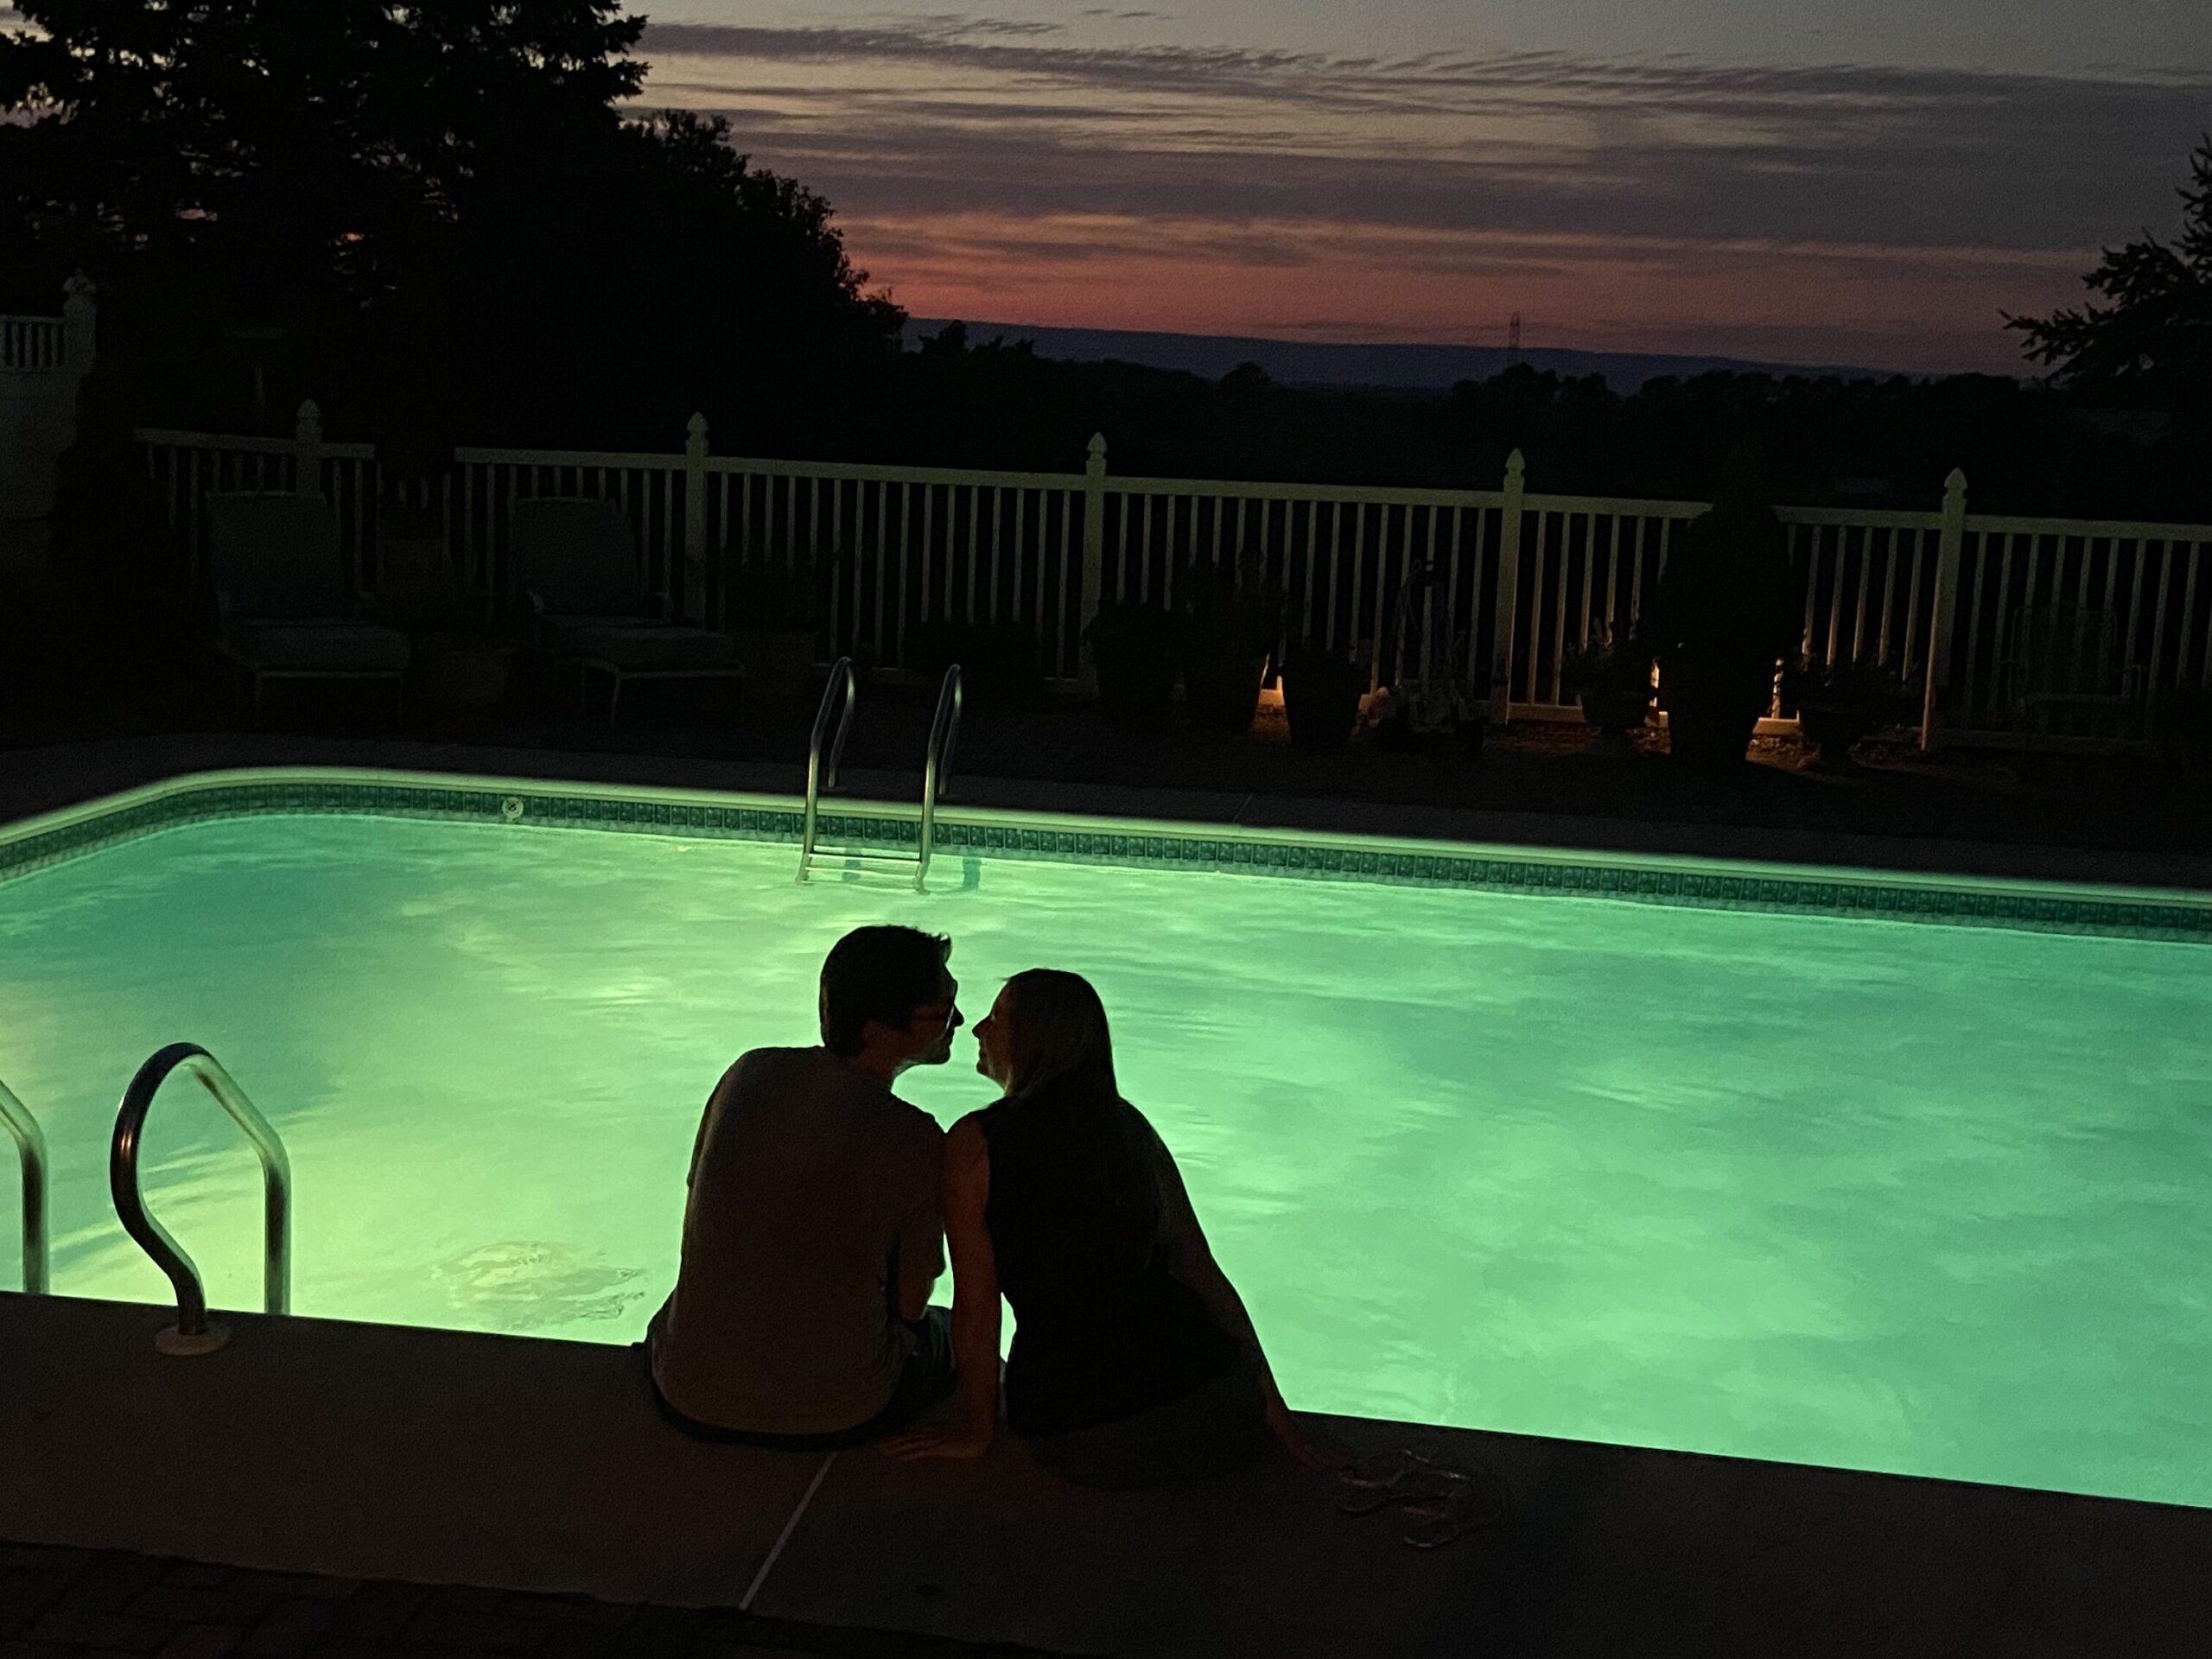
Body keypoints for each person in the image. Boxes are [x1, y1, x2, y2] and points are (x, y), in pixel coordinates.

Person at [886, 969, 1341, 1487]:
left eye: (999, 1017)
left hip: (1079, 1432)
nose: (978, 1029)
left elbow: (977, 1310)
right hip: (1215, 1409)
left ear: (1036, 1037)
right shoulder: (1130, 1129)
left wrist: (975, 1431)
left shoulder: (974, 1144)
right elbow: (1201, 1272)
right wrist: (1270, 1404)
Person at [645, 925, 963, 1446]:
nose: (960, 1022)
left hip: (682, 1390)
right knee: (949, 1336)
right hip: (840, 1412)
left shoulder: (749, 1073)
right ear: (884, 1029)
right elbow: (911, 1304)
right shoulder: (914, 1137)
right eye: (946, 1010)